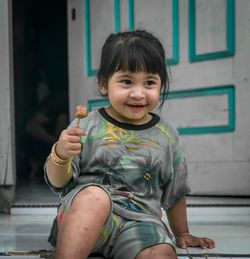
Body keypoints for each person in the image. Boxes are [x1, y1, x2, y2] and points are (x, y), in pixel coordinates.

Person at [44, 30, 215, 259]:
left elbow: (175, 190)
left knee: (162, 253)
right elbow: (58, 181)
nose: (138, 93)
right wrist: (60, 154)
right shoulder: (86, 124)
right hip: (84, 219)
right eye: (126, 81)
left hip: (140, 224)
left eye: (149, 83)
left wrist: (182, 231)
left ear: (161, 85)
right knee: (95, 197)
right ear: (104, 84)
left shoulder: (166, 135)